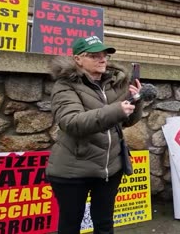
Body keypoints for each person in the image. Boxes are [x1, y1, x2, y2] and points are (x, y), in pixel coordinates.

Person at [46, 35, 144, 234]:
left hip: (109, 170)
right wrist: (117, 109)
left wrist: (136, 100)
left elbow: (126, 121)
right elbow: (71, 122)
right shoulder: (65, 86)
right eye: (94, 56)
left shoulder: (113, 83)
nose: (102, 60)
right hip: (73, 171)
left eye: (105, 55)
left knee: (105, 225)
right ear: (77, 59)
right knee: (70, 226)